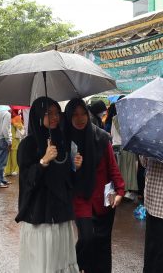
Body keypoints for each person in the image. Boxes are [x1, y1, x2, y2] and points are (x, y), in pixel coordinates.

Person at [16, 97, 81, 273]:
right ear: (38, 116)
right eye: (48, 113)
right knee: (44, 261)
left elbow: (67, 179)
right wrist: (43, 161)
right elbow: (27, 180)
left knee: (60, 259)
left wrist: (76, 167)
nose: (54, 117)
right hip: (41, 215)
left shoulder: (61, 141)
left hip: (60, 213)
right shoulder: (28, 145)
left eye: (56, 113)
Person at [65, 98, 125, 273]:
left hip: (103, 198)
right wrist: (72, 167)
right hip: (80, 198)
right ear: (69, 116)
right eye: (75, 114)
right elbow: (60, 174)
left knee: (102, 242)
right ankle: (74, 267)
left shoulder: (101, 137)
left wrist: (120, 190)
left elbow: (112, 168)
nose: (80, 118)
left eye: (83, 113)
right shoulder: (65, 140)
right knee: (87, 238)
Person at [5, 109, 23, 177]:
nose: (9, 111)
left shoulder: (17, 117)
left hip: (15, 140)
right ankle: (7, 170)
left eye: (11, 110)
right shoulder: (7, 118)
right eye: (9, 110)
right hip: (8, 140)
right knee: (8, 156)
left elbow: (21, 127)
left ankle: (16, 170)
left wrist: (14, 122)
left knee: (14, 156)